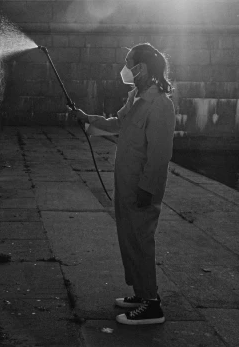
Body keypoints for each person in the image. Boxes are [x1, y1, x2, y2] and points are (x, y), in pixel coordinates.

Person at [71, 43, 175, 325]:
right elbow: (117, 123)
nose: (125, 68)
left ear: (141, 68)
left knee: (141, 241)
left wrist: (148, 188)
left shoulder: (160, 104)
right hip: (127, 184)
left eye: (129, 62)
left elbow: (160, 154)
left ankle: (152, 306)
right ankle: (142, 294)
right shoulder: (136, 97)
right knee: (129, 239)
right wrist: (88, 119)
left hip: (142, 188)